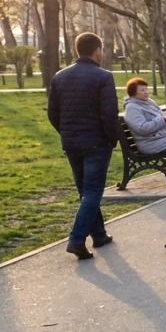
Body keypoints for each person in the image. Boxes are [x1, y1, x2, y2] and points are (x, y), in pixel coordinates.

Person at [47, 32, 120, 260]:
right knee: (92, 192)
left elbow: (52, 113)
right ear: (98, 51)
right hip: (96, 143)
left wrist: (67, 132)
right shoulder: (103, 77)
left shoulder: (59, 77)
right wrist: (111, 138)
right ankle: (76, 239)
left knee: (85, 192)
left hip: (72, 143)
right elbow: (109, 114)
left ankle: (99, 235)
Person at [122, 77, 166, 155]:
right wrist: (164, 120)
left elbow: (161, 116)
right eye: (142, 90)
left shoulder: (149, 102)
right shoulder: (132, 108)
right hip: (150, 143)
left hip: (162, 137)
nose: (146, 92)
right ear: (133, 92)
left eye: (146, 89)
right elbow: (142, 128)